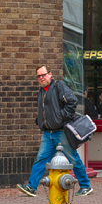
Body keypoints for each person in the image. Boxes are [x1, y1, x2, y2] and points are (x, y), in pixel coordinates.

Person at [16, 66, 93, 197]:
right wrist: (40, 120)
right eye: (39, 76)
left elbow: (72, 102)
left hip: (61, 131)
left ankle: (86, 186)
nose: (41, 77)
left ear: (50, 75)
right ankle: (31, 187)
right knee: (40, 159)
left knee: (73, 158)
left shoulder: (59, 86)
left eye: (43, 75)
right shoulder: (42, 91)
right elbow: (46, 111)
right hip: (48, 133)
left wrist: (60, 118)